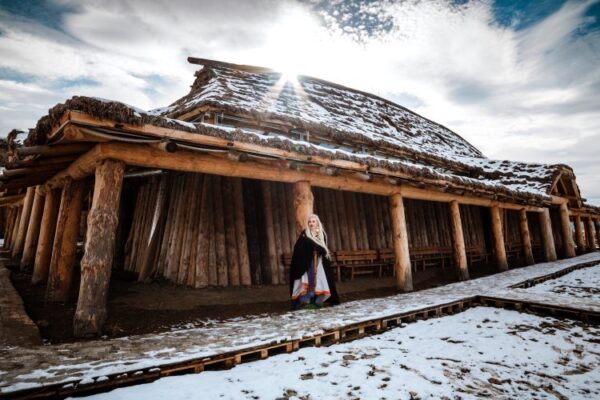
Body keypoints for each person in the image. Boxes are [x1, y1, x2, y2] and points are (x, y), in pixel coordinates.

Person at [289, 214, 340, 310]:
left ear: (317, 223)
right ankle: (305, 301)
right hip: (308, 263)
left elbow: (324, 249)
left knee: (321, 282)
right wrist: (311, 251)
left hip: (320, 263)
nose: (311, 223)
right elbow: (299, 248)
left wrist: (320, 250)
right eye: (309, 222)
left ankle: (317, 301)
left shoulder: (322, 234)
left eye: (313, 221)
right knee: (310, 283)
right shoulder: (305, 235)